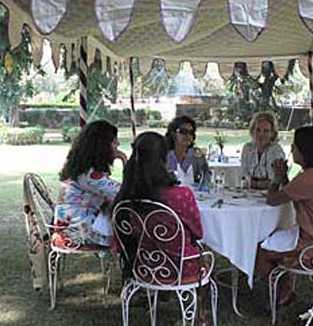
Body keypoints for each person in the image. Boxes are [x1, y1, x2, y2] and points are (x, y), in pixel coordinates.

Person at [255, 125, 313, 305]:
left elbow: (272, 199)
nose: (291, 149)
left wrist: (276, 178)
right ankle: (284, 287)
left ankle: (282, 291)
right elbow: (293, 193)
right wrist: (283, 178)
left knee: (259, 249)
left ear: (304, 151)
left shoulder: (307, 178)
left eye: (294, 146)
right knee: (274, 240)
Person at [117, 131, 203, 281]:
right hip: (180, 267)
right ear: (164, 158)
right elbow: (198, 232)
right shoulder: (180, 195)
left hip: (142, 266)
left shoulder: (127, 194)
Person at [54, 120, 127, 249]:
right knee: (130, 227)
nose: (118, 145)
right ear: (103, 146)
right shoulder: (89, 176)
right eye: (115, 141)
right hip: (76, 232)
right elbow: (124, 193)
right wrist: (125, 160)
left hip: (74, 224)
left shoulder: (82, 169)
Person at [241, 111, 286, 189]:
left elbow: (275, 180)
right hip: (249, 193)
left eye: (266, 131)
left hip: (270, 193)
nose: (261, 135)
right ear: (252, 131)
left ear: (272, 133)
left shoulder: (276, 151)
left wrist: (255, 184)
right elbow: (244, 176)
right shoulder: (247, 148)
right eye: (258, 130)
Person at [165, 115, 210, 186]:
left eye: (191, 132)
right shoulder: (163, 154)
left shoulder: (197, 155)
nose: (188, 135)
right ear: (173, 133)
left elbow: (206, 175)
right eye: (183, 131)